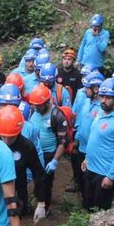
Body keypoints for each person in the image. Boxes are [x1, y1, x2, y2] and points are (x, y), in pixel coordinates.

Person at [81, 78, 114, 211]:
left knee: (99, 211)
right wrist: (86, 158)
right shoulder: (100, 114)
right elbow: (94, 137)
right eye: (102, 96)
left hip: (104, 174)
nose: (103, 100)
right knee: (87, 205)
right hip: (90, 168)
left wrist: (111, 176)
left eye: (108, 98)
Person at [0, 105, 48, 222]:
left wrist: (41, 203)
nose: (7, 141)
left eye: (11, 137)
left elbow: (39, 174)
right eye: (3, 136)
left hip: (19, 191)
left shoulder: (27, 146)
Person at [28, 83, 69, 214]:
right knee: (36, 178)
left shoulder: (57, 115)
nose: (36, 107)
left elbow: (63, 142)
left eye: (38, 105)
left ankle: (45, 208)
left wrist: (55, 161)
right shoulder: (34, 110)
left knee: (46, 181)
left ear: (46, 102)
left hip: (48, 154)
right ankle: (36, 197)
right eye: (34, 104)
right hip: (34, 151)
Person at [68, 71, 104, 194]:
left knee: (88, 180)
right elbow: (82, 121)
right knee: (79, 171)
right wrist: (76, 138)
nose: (84, 90)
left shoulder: (101, 108)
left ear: (95, 89)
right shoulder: (87, 100)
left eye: (87, 88)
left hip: (91, 150)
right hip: (81, 145)